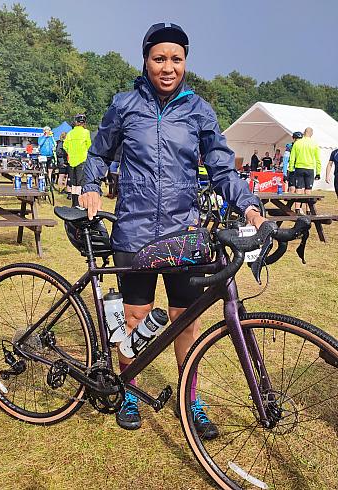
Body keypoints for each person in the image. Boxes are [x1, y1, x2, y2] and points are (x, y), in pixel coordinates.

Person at [80, 22, 264, 437]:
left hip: (184, 234)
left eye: (176, 59)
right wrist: (90, 185)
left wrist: (249, 205)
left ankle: (189, 398)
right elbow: (98, 153)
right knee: (135, 317)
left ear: (185, 62)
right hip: (134, 232)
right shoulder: (125, 105)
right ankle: (129, 391)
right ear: (145, 61)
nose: (168, 67)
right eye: (159, 58)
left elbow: (221, 167)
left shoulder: (199, 110)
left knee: (185, 320)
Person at [289, 127, 320, 213]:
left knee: (298, 189)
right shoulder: (314, 144)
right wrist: (318, 172)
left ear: (304, 133)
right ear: (311, 134)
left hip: (299, 168)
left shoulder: (297, 143)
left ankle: (297, 209)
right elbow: (318, 159)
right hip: (310, 168)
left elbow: (292, 157)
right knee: (308, 190)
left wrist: (291, 169)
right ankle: (308, 209)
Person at [63, 114, 92, 207]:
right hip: (82, 160)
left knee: (73, 183)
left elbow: (65, 146)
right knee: (80, 183)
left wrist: (71, 152)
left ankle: (74, 203)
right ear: (84, 123)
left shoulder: (70, 133)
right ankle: (78, 203)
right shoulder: (86, 132)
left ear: (75, 122)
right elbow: (89, 146)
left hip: (72, 161)